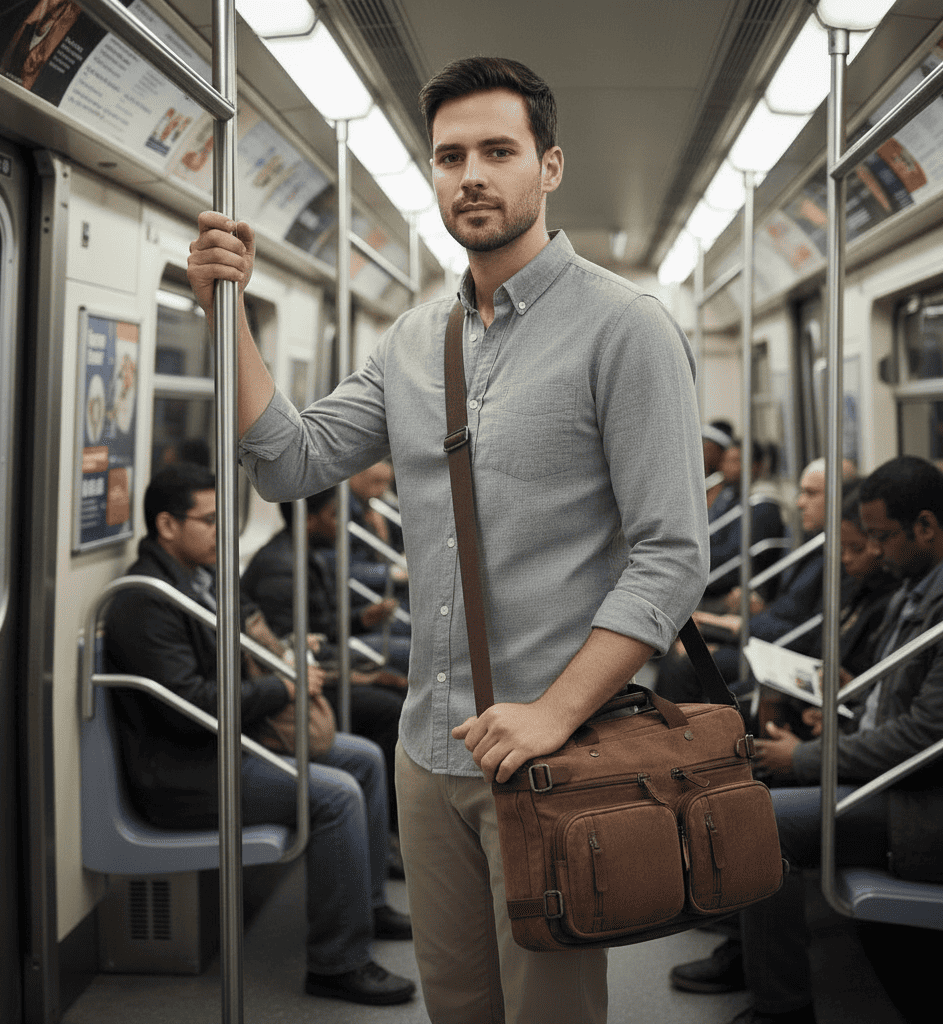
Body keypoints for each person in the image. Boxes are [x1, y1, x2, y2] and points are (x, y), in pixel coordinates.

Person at [186, 56, 707, 1024]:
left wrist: (552, 711)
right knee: (458, 1002)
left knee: (546, 1004)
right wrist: (230, 314)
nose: (471, 174)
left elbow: (671, 554)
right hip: (431, 749)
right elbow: (290, 462)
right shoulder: (413, 341)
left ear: (548, 167)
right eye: (450, 155)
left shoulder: (624, 328)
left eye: (497, 151)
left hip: (553, 748)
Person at [668, 455, 943, 1024]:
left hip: (938, 808)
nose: (875, 553)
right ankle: (744, 945)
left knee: (760, 819)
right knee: (748, 771)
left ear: (927, 527)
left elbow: (929, 738)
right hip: (900, 773)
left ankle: (781, 1009)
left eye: (883, 537)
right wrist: (850, 700)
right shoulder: (927, 584)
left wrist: (806, 758)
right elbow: (904, 699)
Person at [102, 464, 416, 1007]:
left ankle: (367, 904)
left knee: (362, 758)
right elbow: (192, 706)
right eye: (210, 519)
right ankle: (336, 961)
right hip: (188, 770)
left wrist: (286, 667)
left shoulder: (205, 578)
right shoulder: (147, 602)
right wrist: (281, 689)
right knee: (335, 797)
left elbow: (252, 634)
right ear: (167, 525)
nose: (222, 529)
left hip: (233, 741)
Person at [241, 490, 408, 829]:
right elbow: (296, 648)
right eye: (334, 515)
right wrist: (368, 675)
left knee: (395, 683)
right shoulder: (281, 568)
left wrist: (362, 619)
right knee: (390, 706)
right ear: (310, 518)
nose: (342, 524)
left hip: (312, 667)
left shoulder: (305, 554)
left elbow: (320, 629)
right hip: (301, 680)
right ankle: (392, 826)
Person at [656, 459, 852, 704]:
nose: (800, 503)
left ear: (841, 497)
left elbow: (807, 635)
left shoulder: (841, 560)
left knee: (687, 662)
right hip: (765, 636)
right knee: (683, 644)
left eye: (811, 494)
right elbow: (785, 611)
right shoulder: (815, 546)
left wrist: (737, 629)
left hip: (781, 651)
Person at [704, 439, 786, 602]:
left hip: (739, 591)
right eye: (725, 461)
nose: (726, 467)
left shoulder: (763, 505)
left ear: (755, 466)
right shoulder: (728, 496)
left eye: (736, 461)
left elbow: (736, 559)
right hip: (715, 580)